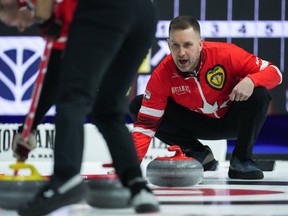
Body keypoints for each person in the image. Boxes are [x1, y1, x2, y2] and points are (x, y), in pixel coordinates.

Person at [16, 0, 159, 216]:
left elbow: (54, 74)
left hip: (105, 8)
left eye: (3, 9)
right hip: (144, 13)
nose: (14, 24)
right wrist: (30, 125)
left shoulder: (63, 8)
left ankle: (66, 179)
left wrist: (29, 127)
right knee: (108, 109)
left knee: (73, 97)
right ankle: (138, 186)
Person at [129, 16, 282, 179]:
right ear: (168, 45)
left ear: (200, 44)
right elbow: (146, 126)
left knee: (259, 94)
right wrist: (128, 167)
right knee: (138, 106)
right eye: (175, 45)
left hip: (234, 121)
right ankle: (200, 155)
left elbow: (275, 73)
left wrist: (251, 80)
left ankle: (241, 161)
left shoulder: (226, 54)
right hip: (197, 124)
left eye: (188, 45)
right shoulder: (162, 74)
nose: (181, 53)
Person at [0, 0, 77, 161]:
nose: (21, 28)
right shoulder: (49, 22)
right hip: (92, 33)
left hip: (107, 22)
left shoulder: (44, 11)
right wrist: (29, 127)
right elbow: (53, 81)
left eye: (13, 23)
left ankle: (67, 173)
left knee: (77, 103)